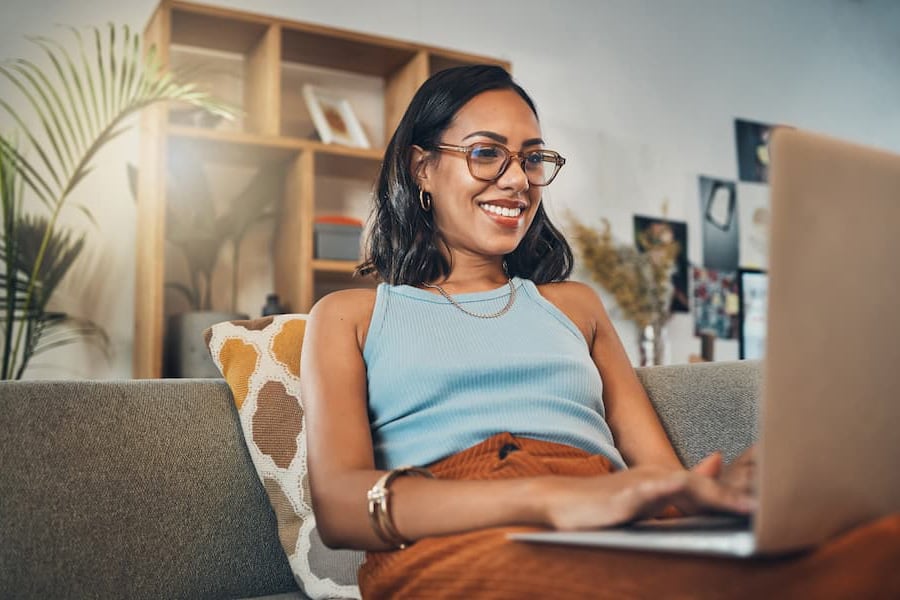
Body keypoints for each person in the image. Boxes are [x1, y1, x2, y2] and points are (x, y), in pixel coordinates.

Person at [300, 65, 899, 599]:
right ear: (421, 167)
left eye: (532, 159)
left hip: (609, 518)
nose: (517, 181)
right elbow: (342, 508)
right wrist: (547, 498)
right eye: (487, 153)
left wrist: (733, 493)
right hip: (454, 534)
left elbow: (662, 481)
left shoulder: (576, 306)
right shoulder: (351, 316)